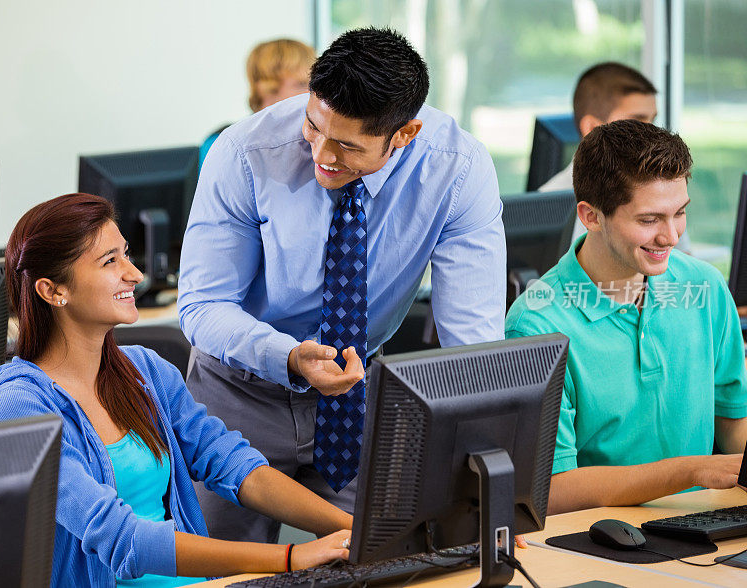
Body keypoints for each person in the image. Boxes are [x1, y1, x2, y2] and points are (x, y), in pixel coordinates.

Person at [179, 27, 506, 542]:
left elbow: (473, 337)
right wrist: (288, 356)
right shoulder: (245, 151)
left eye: (348, 145)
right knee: (227, 570)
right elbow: (203, 305)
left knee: (380, 556)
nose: (323, 155)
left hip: (354, 396)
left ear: (405, 133)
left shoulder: (457, 171)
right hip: (235, 393)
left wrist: (489, 476)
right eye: (314, 125)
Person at [0, 193, 352, 587]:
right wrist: (291, 558)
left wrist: (355, 529)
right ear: (53, 290)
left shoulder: (145, 370)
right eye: (110, 261)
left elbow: (234, 465)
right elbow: (124, 541)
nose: (135, 274)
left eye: (126, 254)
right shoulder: (19, 405)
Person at [506, 120, 747, 515]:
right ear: (591, 216)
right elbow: (550, 488)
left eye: (680, 213)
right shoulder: (536, 325)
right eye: (649, 220)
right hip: (600, 541)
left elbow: (733, 419)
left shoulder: (704, 287)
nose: (671, 236)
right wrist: (692, 471)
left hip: (705, 521)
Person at [539, 62, 690, 253]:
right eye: (637, 121)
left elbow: (686, 264)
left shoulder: (661, 189)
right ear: (593, 129)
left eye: (652, 120)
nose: (651, 131)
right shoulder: (548, 205)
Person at [200, 39, 316, 168]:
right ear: (268, 87)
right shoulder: (225, 145)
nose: (312, 93)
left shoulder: (316, 141)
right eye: (302, 84)